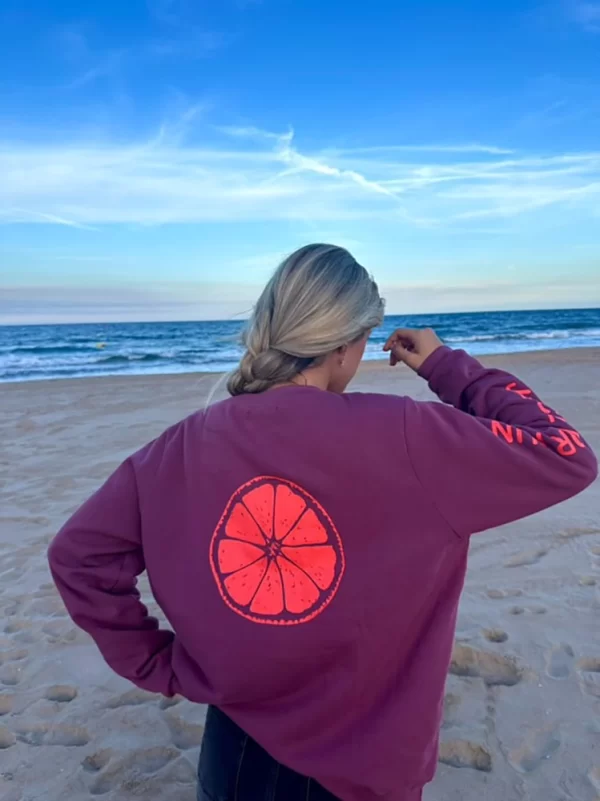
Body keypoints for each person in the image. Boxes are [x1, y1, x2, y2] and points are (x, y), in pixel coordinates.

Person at [48, 244, 597, 801]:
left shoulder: (182, 443)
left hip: (234, 754)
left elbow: (78, 557)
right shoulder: (408, 435)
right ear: (342, 344)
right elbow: (565, 454)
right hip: (364, 764)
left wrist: (156, 663)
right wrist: (444, 364)